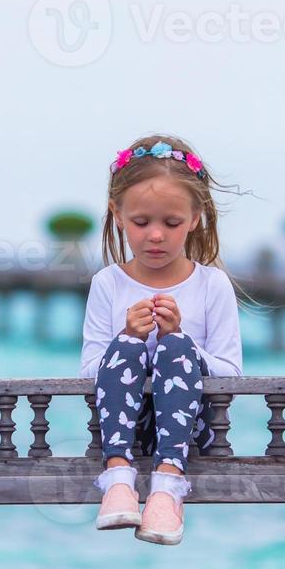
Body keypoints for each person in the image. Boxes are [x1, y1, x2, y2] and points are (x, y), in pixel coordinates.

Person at [79, 135, 243, 545]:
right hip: (122, 432)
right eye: (141, 222)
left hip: (191, 434)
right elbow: (86, 373)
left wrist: (182, 339)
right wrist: (125, 336)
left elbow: (233, 374)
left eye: (170, 223)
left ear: (195, 218)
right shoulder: (107, 283)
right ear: (117, 215)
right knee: (127, 345)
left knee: (175, 347)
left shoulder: (212, 285)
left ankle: (168, 487)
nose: (155, 235)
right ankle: (118, 480)